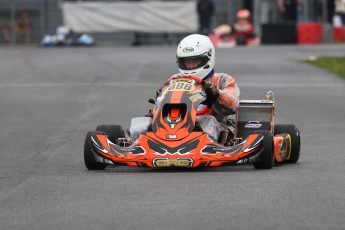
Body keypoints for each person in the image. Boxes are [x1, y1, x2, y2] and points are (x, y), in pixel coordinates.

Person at [156, 34, 240, 141]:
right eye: (186, 62)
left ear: (208, 58)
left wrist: (216, 95)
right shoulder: (174, 79)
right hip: (176, 125)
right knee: (143, 126)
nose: (190, 66)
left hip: (212, 129)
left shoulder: (222, 79)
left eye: (195, 61)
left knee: (208, 123)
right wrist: (161, 98)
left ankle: (203, 149)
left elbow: (233, 105)